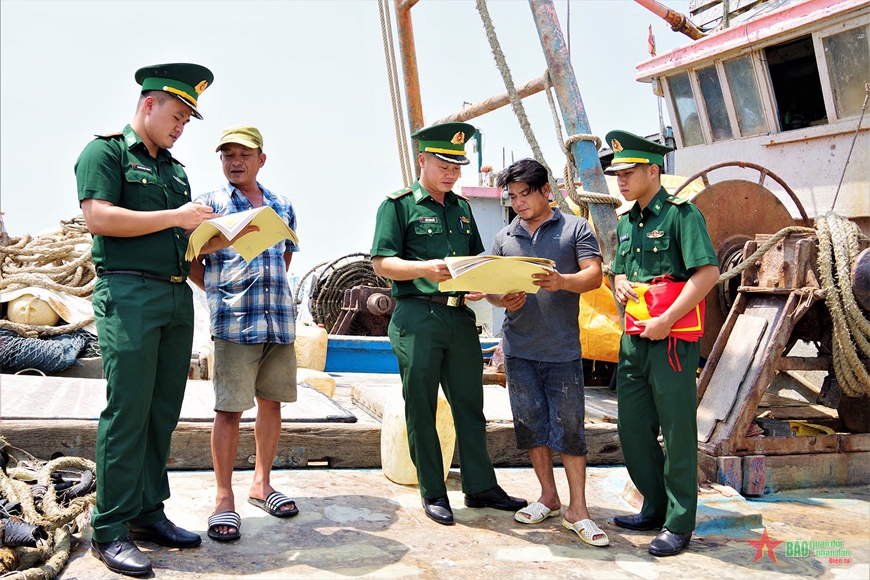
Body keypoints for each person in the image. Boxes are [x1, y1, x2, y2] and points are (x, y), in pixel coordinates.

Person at [75, 63, 235, 576]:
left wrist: (216, 248)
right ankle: (110, 527)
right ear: (149, 104)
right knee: (128, 411)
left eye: (188, 120)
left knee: (163, 410)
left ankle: (147, 511)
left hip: (172, 296)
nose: (181, 127)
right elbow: (98, 216)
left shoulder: (174, 169)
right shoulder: (106, 152)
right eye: (178, 115)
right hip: (127, 292)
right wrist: (175, 217)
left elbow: (180, 241)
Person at [371, 122, 527, 525]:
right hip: (417, 315)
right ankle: (434, 491)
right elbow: (381, 262)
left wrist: (493, 292)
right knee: (421, 406)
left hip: (460, 317)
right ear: (422, 160)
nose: (452, 172)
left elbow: (477, 266)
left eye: (457, 164)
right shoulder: (399, 205)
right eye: (444, 163)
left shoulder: (462, 209)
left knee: (470, 406)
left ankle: (480, 487)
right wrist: (425, 267)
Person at [606, 130, 720, 557]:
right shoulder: (625, 220)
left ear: (653, 171)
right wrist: (618, 282)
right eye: (617, 172)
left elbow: (706, 274)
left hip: (671, 340)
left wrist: (667, 320)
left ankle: (678, 521)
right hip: (634, 338)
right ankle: (653, 505)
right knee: (633, 429)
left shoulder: (681, 216)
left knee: (676, 433)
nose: (620, 178)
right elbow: (619, 270)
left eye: (628, 171)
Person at [486, 159, 608, 547]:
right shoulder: (505, 237)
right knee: (530, 426)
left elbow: (594, 275)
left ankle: (579, 510)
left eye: (525, 195)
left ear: (545, 192)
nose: (519, 203)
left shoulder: (575, 228)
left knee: (570, 430)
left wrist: (561, 281)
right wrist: (501, 297)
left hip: (562, 350)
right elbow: (490, 289)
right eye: (513, 197)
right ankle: (548, 497)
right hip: (519, 349)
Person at [189, 125, 300, 542]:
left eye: (244, 154)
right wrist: (222, 294)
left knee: (271, 404)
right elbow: (191, 260)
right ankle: (223, 498)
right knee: (229, 409)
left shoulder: (282, 205)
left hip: (278, 320)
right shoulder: (208, 204)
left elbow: (284, 258)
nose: (235, 161)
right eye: (227, 155)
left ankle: (261, 484)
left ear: (261, 160)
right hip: (234, 322)